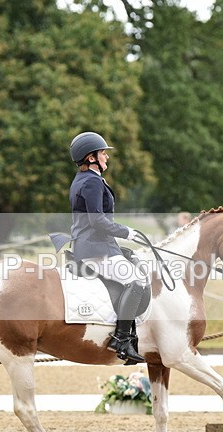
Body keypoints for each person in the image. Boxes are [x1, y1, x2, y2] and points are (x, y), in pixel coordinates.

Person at [68, 131, 146, 365]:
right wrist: (127, 232)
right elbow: (97, 221)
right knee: (137, 281)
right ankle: (121, 339)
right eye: (103, 153)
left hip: (96, 245)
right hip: (94, 249)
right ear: (91, 157)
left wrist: (118, 246)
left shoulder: (83, 179)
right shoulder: (91, 181)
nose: (106, 157)